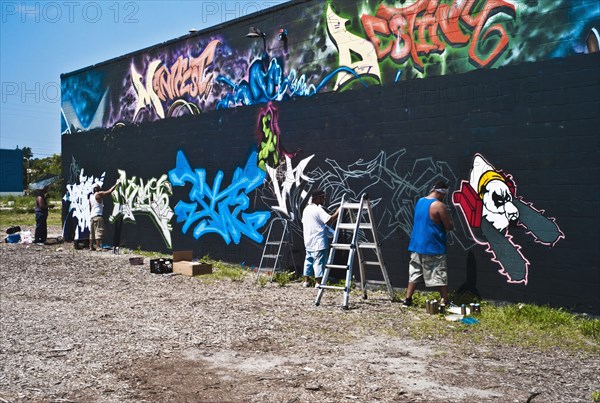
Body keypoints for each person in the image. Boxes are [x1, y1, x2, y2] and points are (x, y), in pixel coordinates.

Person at [402, 181, 454, 307]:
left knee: (414, 273)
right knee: (440, 274)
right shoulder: (439, 206)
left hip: (417, 245)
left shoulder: (420, 201)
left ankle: (407, 300)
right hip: (433, 246)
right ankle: (445, 300)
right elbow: (448, 226)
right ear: (443, 192)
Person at [301, 189, 340, 288]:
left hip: (308, 241)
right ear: (317, 198)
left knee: (308, 261)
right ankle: (318, 283)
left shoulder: (306, 209)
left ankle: (306, 281)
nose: (324, 199)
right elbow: (330, 220)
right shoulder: (317, 210)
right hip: (318, 241)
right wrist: (338, 211)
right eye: (323, 197)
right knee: (319, 262)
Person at [89, 181, 118, 251]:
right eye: (98, 187)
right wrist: (116, 184)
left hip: (92, 216)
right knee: (99, 231)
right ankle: (98, 247)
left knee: (92, 233)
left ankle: (91, 247)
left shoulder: (91, 197)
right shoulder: (98, 194)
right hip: (98, 215)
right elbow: (109, 191)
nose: (100, 188)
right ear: (96, 189)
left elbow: (90, 207)